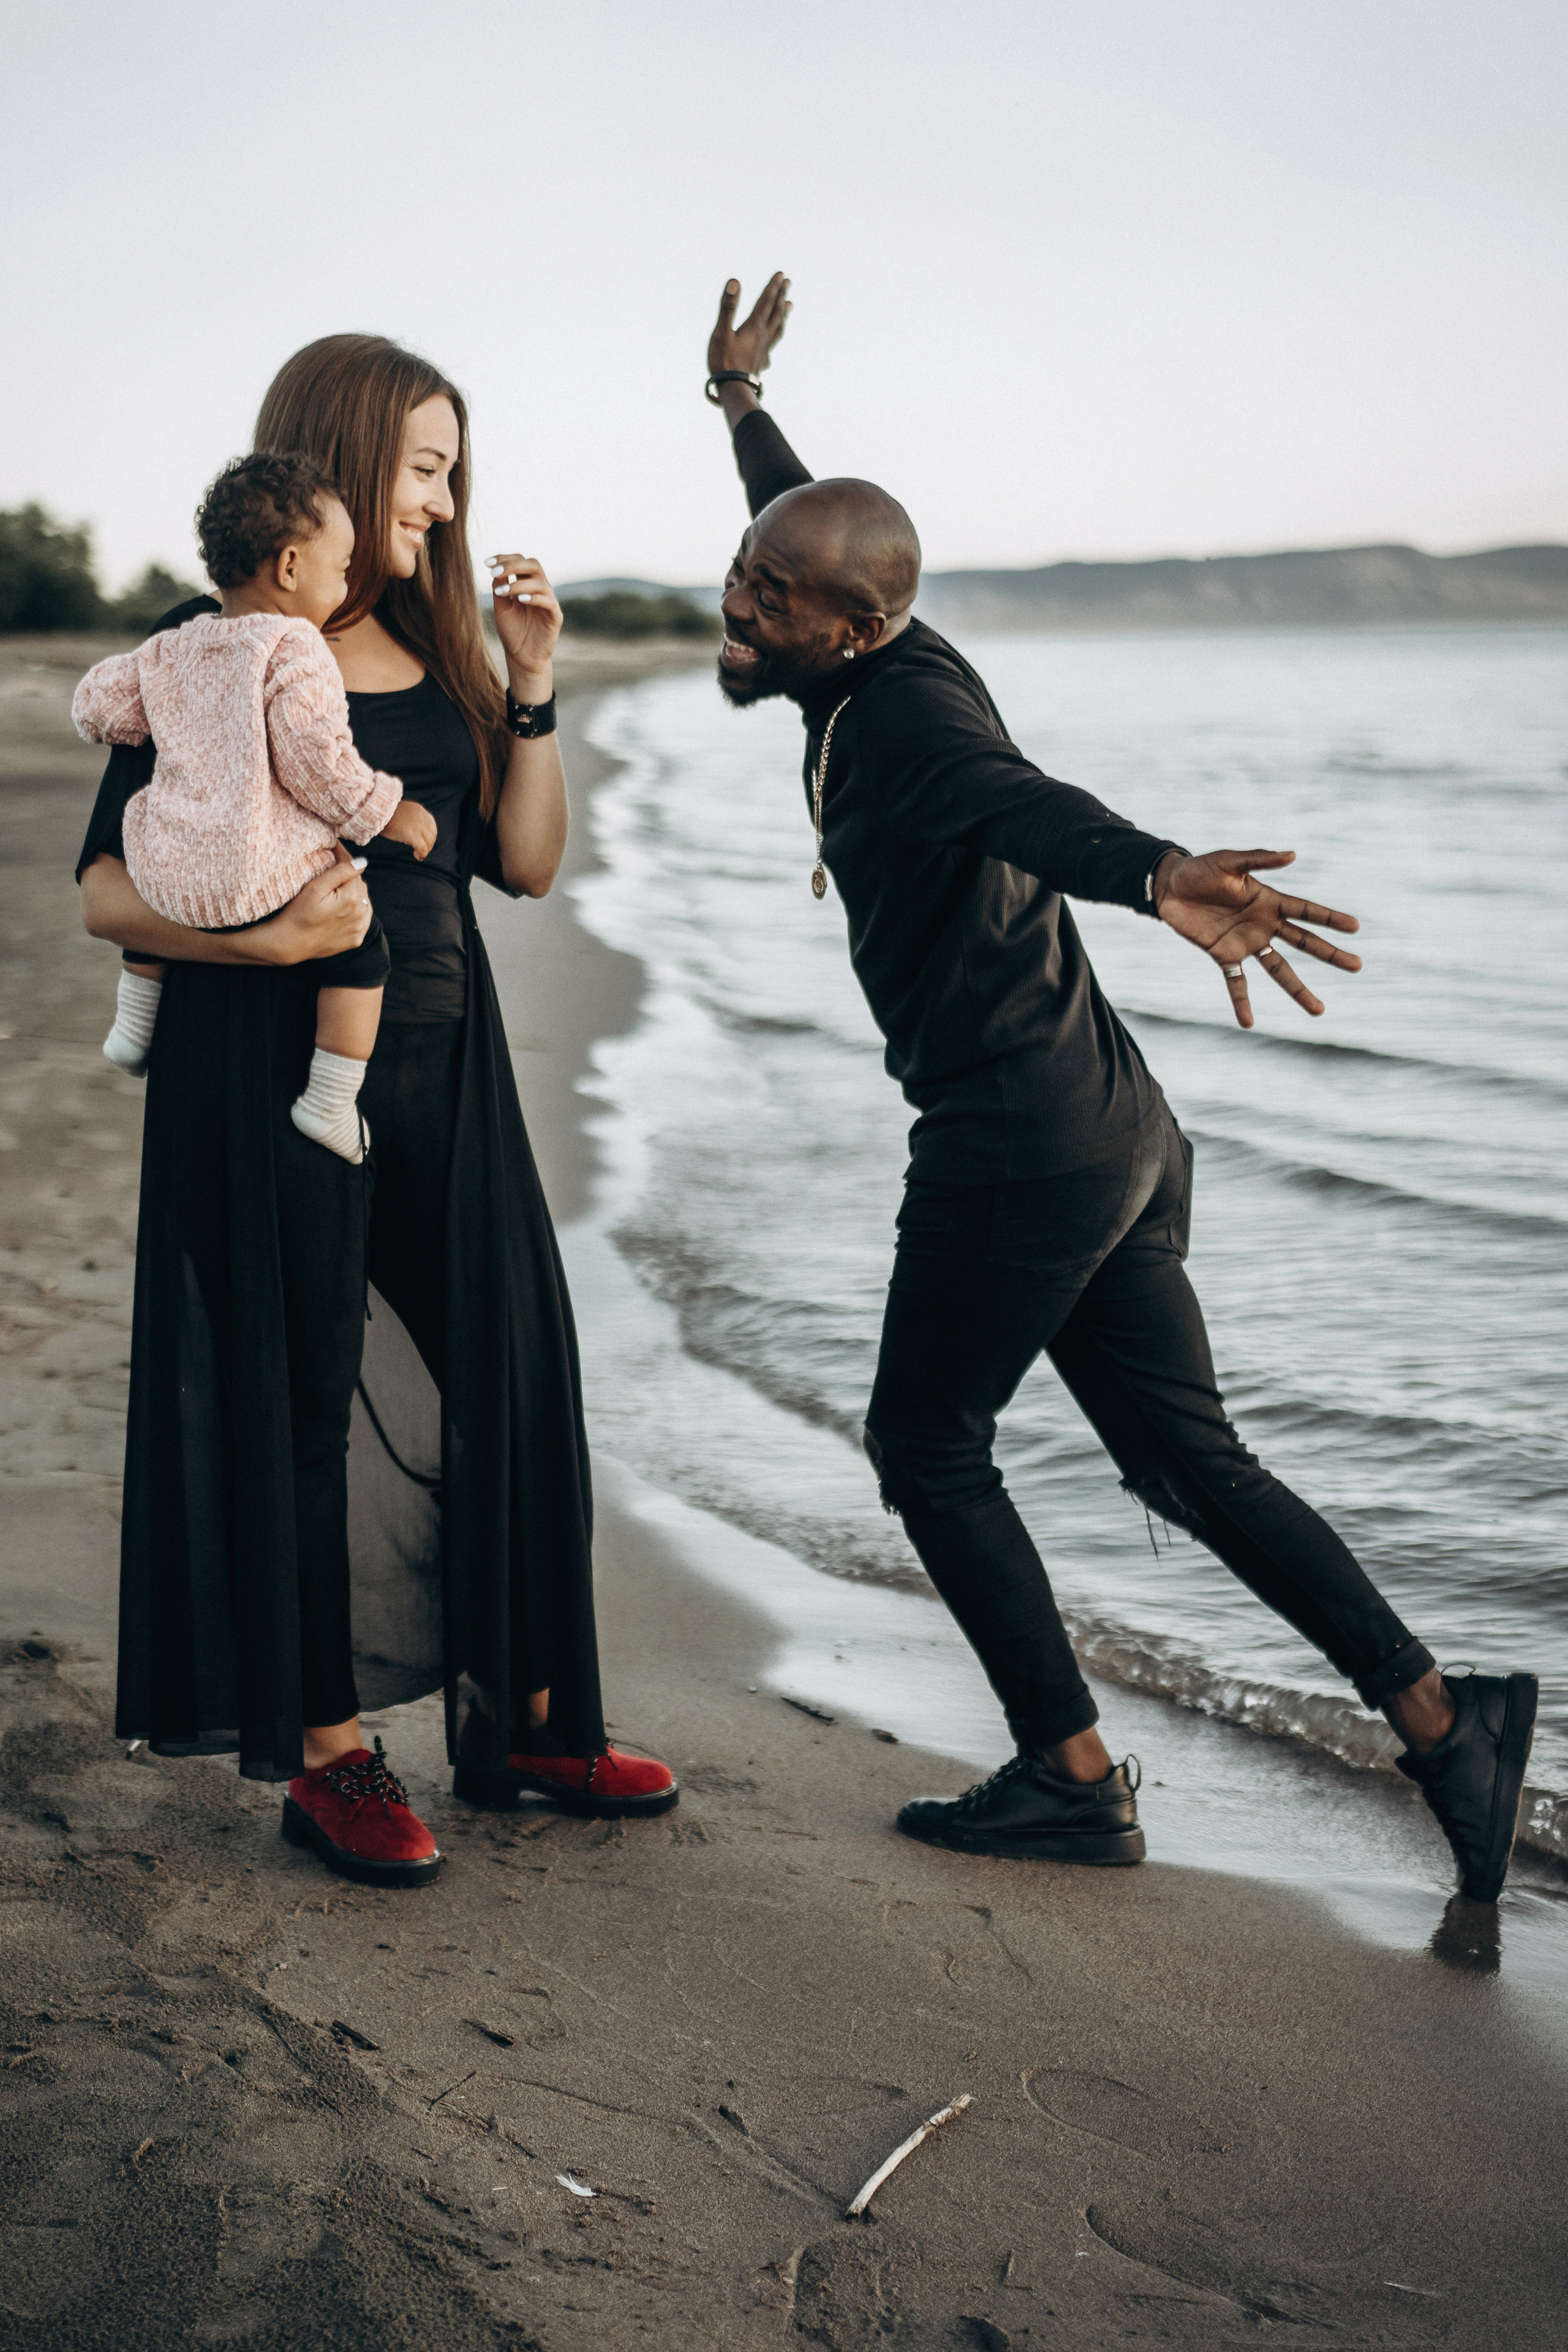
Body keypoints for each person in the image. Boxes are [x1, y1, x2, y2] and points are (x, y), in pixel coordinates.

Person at [700, 274, 1536, 1903]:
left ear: (858, 629)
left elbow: (1032, 809)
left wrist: (1155, 875)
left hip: (1018, 1139)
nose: (743, 603)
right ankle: (1450, 1730)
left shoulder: (906, 728)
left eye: (775, 598)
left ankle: (1072, 1779)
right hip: (1117, 1130)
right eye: (747, 575)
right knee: (1188, 1464)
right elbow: (801, 530)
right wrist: (741, 413)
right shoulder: (873, 633)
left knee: (925, 1444)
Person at [77, 333, 676, 1889]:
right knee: (296, 1393)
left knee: (512, 1365)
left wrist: (530, 688)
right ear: (334, 470)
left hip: (445, 1065)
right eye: (421, 464)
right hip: (262, 1076)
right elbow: (102, 888)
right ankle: (328, 1754)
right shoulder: (210, 652)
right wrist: (258, 942)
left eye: (452, 466)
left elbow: (523, 867)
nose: (446, 495)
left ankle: (531, 1716)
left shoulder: (443, 646)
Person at [77, 450, 437, 1162]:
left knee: (158, 886)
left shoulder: (171, 647)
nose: (345, 581)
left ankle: (133, 1025)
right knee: (361, 950)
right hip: (254, 871)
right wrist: (384, 810)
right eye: (340, 567)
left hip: (172, 863)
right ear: (292, 568)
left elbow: (99, 706)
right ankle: (329, 1101)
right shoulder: (296, 647)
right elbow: (317, 763)